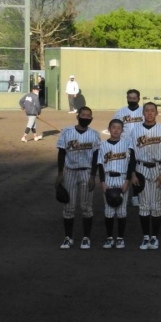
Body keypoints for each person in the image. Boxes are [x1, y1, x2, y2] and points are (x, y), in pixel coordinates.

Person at [128, 102, 161, 250]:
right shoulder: (135, 130)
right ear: (143, 113)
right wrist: (132, 174)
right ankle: (146, 236)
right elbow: (131, 153)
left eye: (152, 110)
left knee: (157, 205)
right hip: (141, 168)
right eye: (147, 110)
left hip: (158, 168)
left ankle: (155, 237)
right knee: (144, 205)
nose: (149, 113)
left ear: (156, 113)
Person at [55, 106, 100, 249]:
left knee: (86, 206)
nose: (85, 117)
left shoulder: (94, 134)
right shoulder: (67, 131)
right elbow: (61, 153)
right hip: (69, 172)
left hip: (87, 172)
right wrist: (60, 173)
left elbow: (96, 157)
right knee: (68, 206)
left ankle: (86, 238)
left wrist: (93, 176)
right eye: (83, 115)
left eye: (88, 116)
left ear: (91, 118)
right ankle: (68, 238)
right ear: (77, 116)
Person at [97, 119, 135, 249]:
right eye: (113, 127)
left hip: (122, 178)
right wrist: (102, 182)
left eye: (119, 128)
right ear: (109, 129)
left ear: (122, 131)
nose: (116, 130)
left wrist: (127, 181)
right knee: (108, 211)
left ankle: (120, 238)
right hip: (108, 178)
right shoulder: (102, 145)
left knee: (122, 211)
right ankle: (109, 238)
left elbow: (131, 164)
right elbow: (100, 165)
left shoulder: (127, 144)